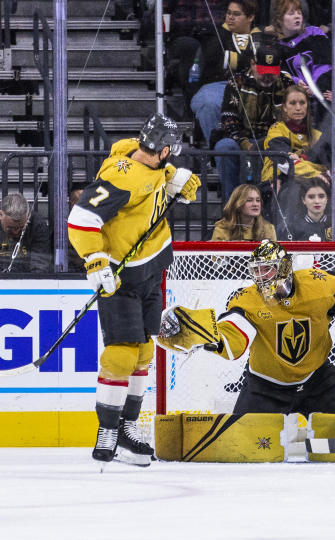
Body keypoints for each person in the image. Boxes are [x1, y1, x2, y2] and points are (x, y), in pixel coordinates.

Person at [66, 112, 201, 466]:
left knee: (143, 352)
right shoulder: (121, 177)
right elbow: (81, 218)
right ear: (164, 147)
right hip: (120, 277)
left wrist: (176, 182)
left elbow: (158, 178)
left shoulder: (145, 160)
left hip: (150, 269)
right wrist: (95, 261)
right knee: (121, 354)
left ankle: (127, 428)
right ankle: (107, 431)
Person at [157, 240, 335, 419]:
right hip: (265, 387)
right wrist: (207, 336)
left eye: (267, 269)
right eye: (257, 270)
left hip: (317, 380)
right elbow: (234, 337)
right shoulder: (247, 299)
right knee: (243, 447)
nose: (261, 277)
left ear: (284, 267)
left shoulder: (318, 284)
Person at [214, 41, 293, 201]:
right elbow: (229, 118)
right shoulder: (237, 81)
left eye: (272, 71)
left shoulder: (286, 83)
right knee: (224, 147)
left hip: (274, 141)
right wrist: (245, 144)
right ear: (252, 63)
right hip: (242, 139)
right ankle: (231, 204)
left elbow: (291, 119)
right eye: (263, 70)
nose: (267, 76)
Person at [190, 0, 262, 147]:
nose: (230, 17)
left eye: (236, 14)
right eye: (228, 13)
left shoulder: (262, 36)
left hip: (253, 87)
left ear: (250, 17)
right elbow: (213, 57)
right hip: (218, 86)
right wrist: (248, 60)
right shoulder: (215, 34)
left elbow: (263, 64)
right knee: (208, 104)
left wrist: (233, 58)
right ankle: (217, 152)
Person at [260, 85, 326, 188]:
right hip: (276, 184)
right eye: (292, 103)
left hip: (311, 184)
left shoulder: (317, 135)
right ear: (284, 107)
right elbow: (285, 163)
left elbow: (328, 164)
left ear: (307, 106)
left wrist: (300, 160)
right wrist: (317, 174)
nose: (298, 108)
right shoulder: (276, 130)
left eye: (302, 103)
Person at [0, 192, 51, 273]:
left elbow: (39, 266)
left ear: (28, 216)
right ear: (1, 215)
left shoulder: (37, 225)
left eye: (21, 228)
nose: (16, 232)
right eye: (10, 228)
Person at [211, 184, 278, 241]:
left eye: (258, 200)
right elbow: (217, 256)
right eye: (249, 200)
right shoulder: (222, 229)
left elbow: (274, 256)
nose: (255, 204)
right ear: (237, 204)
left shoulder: (268, 228)